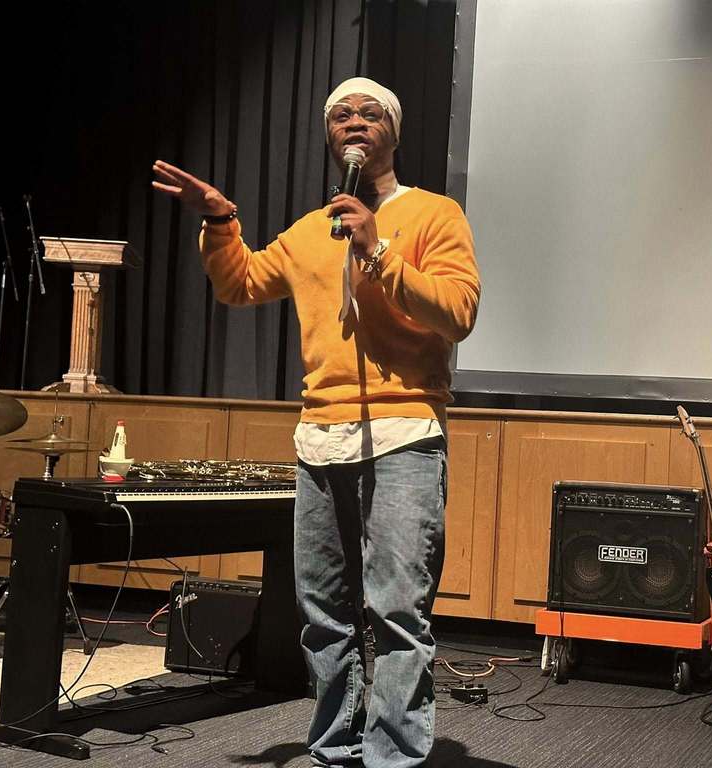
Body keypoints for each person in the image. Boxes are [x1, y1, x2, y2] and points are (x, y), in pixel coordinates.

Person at [152, 77, 480, 768]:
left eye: (368, 112)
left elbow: (459, 312)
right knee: (324, 614)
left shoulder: (433, 214)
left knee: (396, 609)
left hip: (404, 434)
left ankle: (392, 758)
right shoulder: (311, 229)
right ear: (330, 137)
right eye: (340, 114)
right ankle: (335, 748)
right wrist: (219, 221)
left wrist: (379, 251)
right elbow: (240, 283)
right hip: (319, 439)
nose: (353, 121)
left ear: (391, 131)